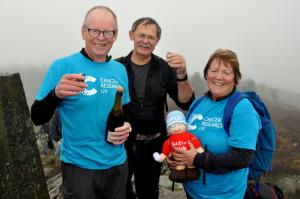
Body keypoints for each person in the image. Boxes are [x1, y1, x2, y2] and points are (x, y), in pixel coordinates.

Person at [31, 6, 131, 199]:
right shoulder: (62, 66)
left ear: (115, 35)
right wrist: (55, 94)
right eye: (95, 31)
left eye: (107, 32)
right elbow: (37, 117)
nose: (101, 37)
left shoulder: (120, 70)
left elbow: (124, 112)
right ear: (83, 32)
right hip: (79, 169)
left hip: (118, 165)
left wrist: (128, 126)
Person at [116, 17, 195, 199]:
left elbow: (186, 101)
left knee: (149, 191)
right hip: (122, 143)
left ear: (157, 41)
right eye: (141, 35)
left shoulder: (165, 68)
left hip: (153, 144)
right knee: (121, 190)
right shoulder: (117, 67)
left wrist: (182, 74)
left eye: (151, 37)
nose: (145, 41)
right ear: (131, 36)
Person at [170, 48, 261, 199]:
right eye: (214, 71)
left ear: (235, 78)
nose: (219, 77)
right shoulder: (198, 103)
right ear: (206, 74)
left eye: (226, 72)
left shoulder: (242, 108)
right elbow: (185, 139)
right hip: (193, 191)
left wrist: (196, 159)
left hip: (225, 195)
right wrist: (175, 158)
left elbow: (243, 157)